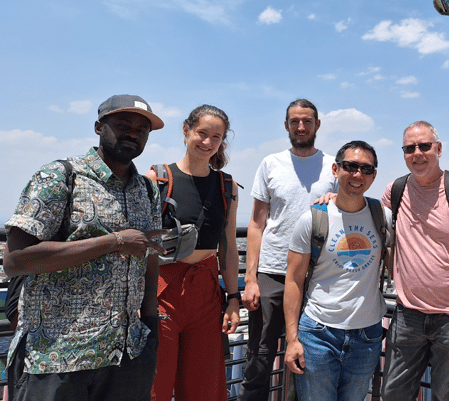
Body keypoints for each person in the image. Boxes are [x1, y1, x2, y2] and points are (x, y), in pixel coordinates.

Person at [3, 94, 166, 401]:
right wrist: (114, 241)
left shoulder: (147, 189)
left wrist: (150, 327)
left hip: (126, 354)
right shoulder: (59, 176)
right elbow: (16, 262)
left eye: (142, 129)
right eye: (122, 124)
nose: (133, 132)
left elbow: (149, 259)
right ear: (98, 127)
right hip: (57, 356)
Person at [380, 121, 449, 401]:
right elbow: (366, 218)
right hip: (407, 313)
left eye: (424, 146)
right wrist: (336, 198)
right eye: (409, 148)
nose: (417, 153)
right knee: (393, 394)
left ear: (439, 149)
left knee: (447, 396)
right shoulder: (395, 192)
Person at [239, 99, 338, 401]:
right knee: (259, 356)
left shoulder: (334, 165)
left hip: (315, 274)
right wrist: (251, 279)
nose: (301, 126)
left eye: (307, 121)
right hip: (273, 271)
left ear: (317, 124)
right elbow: (256, 223)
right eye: (294, 121)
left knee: (306, 358)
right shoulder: (271, 163)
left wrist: (339, 197)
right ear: (286, 125)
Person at [284, 140, 391, 401]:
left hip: (367, 334)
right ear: (336, 169)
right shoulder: (312, 219)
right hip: (318, 333)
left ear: (374, 176)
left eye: (366, 169)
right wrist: (292, 339)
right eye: (350, 166)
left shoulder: (383, 216)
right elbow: (294, 280)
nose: (357, 175)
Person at [148, 105, 240, 401]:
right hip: (162, 289)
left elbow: (227, 246)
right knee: (155, 383)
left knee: (204, 385)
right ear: (186, 130)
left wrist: (234, 299)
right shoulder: (158, 179)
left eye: (216, 137)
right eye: (202, 133)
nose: (208, 142)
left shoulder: (227, 186)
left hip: (206, 291)